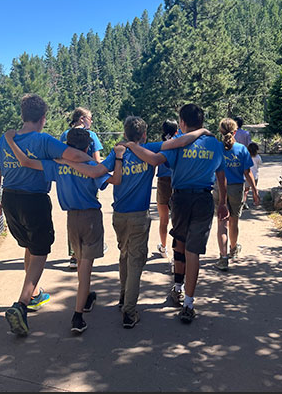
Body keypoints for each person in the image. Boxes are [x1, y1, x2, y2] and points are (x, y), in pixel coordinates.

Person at [65, 115, 212, 328]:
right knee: (135, 262)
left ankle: (124, 296)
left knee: (124, 256)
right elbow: (179, 141)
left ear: (125, 134)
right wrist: (201, 132)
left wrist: (65, 162)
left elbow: (97, 172)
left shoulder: (118, 153)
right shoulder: (148, 149)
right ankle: (129, 311)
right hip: (139, 216)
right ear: (143, 134)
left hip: (119, 216)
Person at [0, 93, 92, 337]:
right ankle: (21, 305)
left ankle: (34, 294)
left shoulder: (7, 140)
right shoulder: (43, 140)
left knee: (29, 246)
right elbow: (74, 155)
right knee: (40, 252)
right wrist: (96, 163)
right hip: (33, 200)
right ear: (43, 118)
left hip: (10, 198)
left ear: (23, 116)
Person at [4, 127, 124, 334]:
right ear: (88, 147)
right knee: (86, 266)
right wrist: (119, 160)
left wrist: (11, 142)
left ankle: (85, 297)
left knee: (79, 261)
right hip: (90, 218)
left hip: (71, 219)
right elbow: (114, 180)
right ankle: (78, 315)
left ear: (67, 146)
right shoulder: (90, 164)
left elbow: (26, 161)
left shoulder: (57, 165)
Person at [121, 104, 229, 325]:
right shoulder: (215, 145)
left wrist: (129, 146)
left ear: (182, 122)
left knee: (179, 244)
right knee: (194, 251)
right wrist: (223, 203)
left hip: (180, 199)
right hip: (203, 199)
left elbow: (155, 160)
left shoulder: (178, 143)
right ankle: (189, 303)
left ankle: (178, 288)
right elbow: (221, 177)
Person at [60, 107, 104, 270]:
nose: (91, 122)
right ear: (81, 119)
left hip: (69, 179)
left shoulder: (65, 134)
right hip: (87, 179)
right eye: (89, 118)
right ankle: (87, 252)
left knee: (73, 218)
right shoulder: (90, 136)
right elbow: (97, 159)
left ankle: (73, 254)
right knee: (89, 214)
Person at [215, 118, 260, 272]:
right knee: (234, 221)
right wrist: (254, 191)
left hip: (219, 188)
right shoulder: (241, 149)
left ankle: (223, 257)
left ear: (220, 132)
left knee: (222, 223)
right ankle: (233, 248)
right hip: (236, 189)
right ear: (235, 132)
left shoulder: (216, 148)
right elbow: (247, 173)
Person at [155, 119, 178, 265]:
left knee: (164, 219)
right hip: (177, 181)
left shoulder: (160, 145)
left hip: (163, 181)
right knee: (177, 220)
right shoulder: (180, 143)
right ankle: (178, 252)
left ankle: (164, 247)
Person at [242, 142, 262, 209]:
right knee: (254, 189)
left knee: (245, 191)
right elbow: (259, 164)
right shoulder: (258, 157)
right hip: (255, 176)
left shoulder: (245, 156)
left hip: (246, 176)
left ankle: (243, 202)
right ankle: (256, 201)